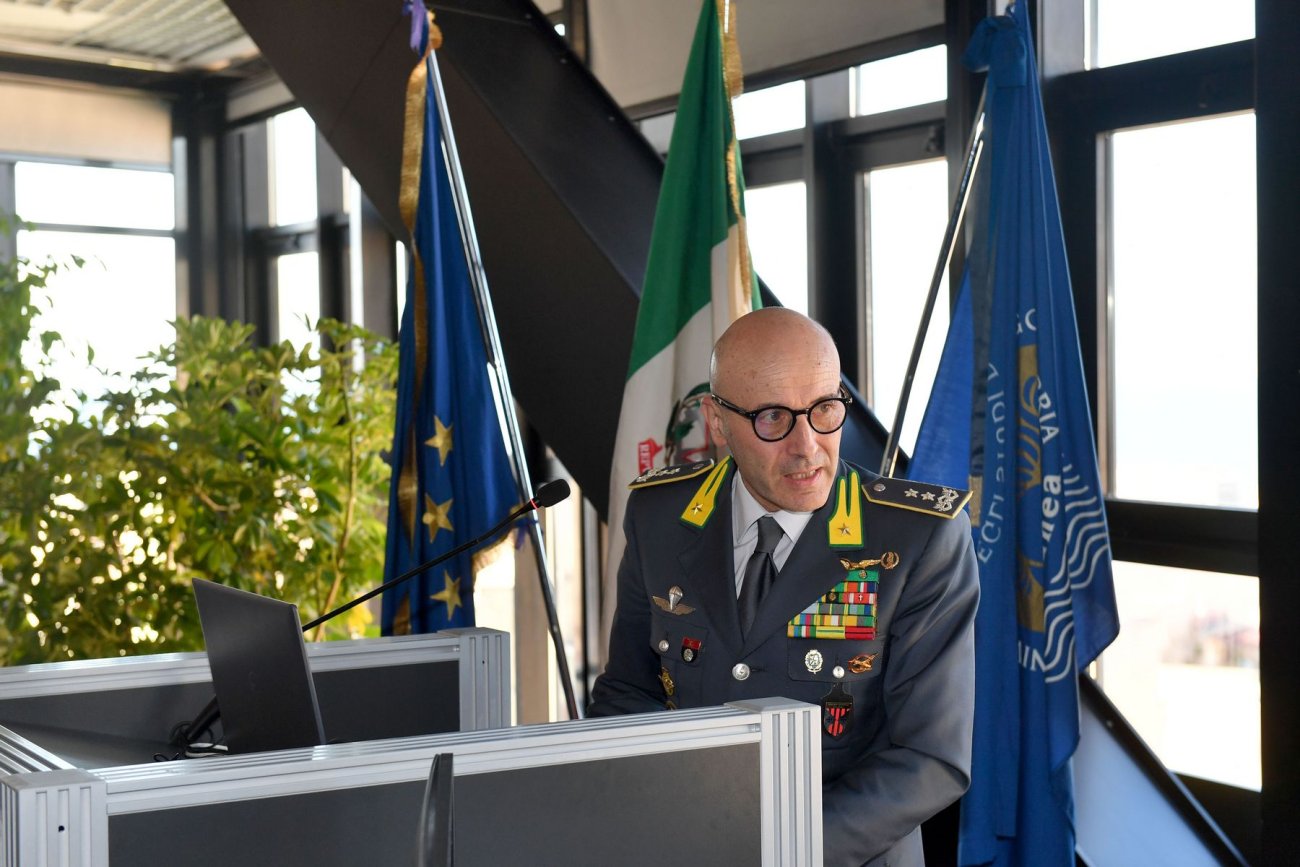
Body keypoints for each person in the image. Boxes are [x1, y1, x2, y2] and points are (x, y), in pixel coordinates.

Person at [589, 307, 979, 866]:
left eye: (824, 409)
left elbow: (930, 757)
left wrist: (773, 852)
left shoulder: (919, 539)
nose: (807, 446)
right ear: (717, 423)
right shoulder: (660, 516)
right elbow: (628, 693)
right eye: (773, 417)